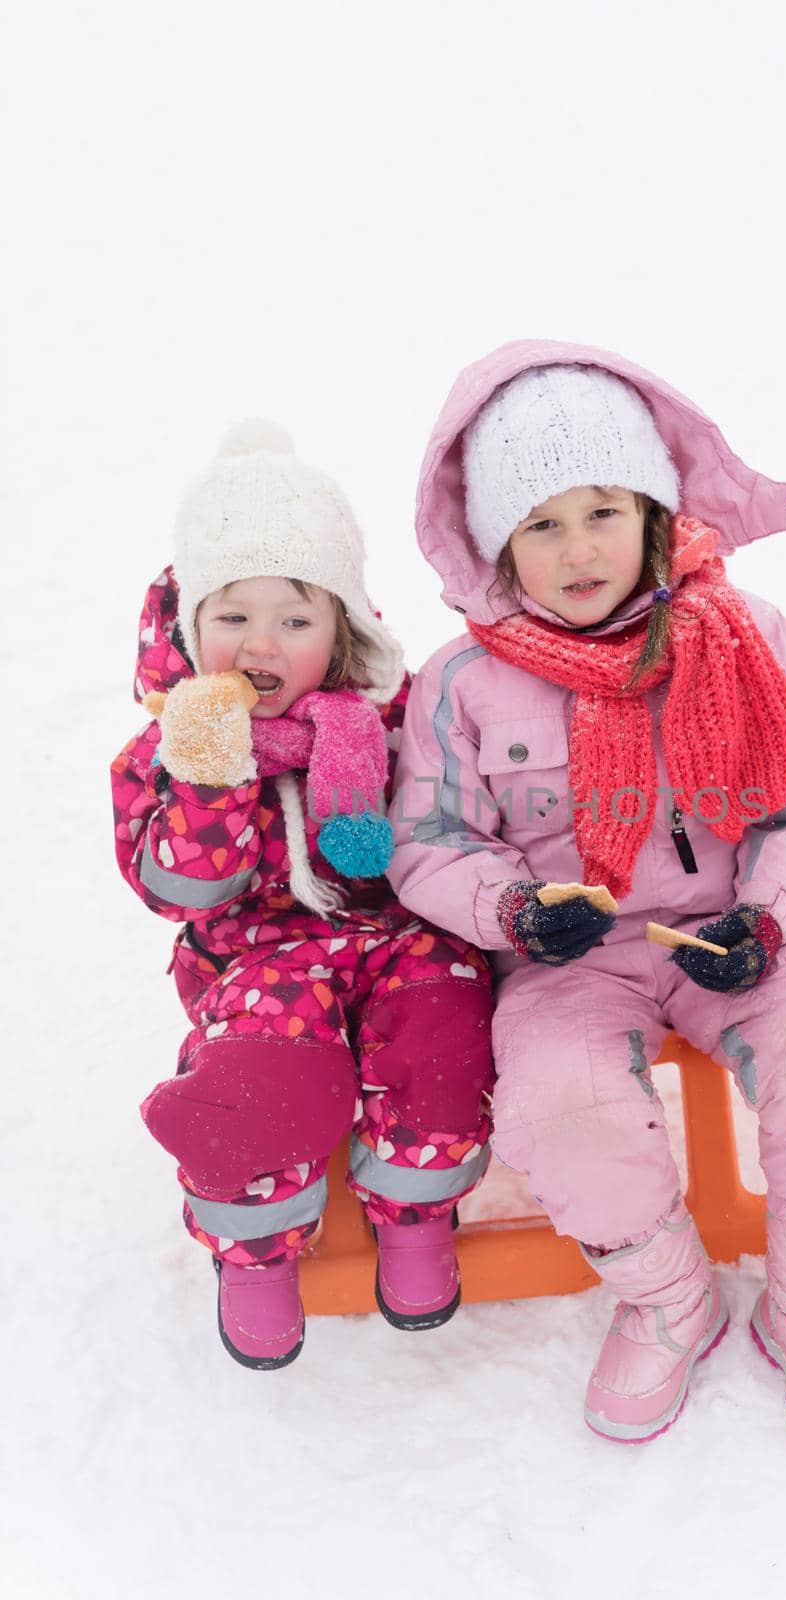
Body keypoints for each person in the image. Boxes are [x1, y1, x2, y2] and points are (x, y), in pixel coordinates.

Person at [387, 343, 786, 1455]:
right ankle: (665, 1294)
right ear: (496, 544)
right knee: (558, 1104)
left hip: (740, 926)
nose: (577, 549)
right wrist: (514, 913)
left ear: (656, 512)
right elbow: (429, 840)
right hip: (570, 958)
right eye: (540, 525)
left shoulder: (748, 638)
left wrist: (769, 916)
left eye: (601, 511)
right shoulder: (459, 686)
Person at [112, 420, 493, 1370]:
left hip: (397, 934)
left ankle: (415, 1209)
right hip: (254, 958)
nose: (260, 644)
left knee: (444, 1031)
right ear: (190, 627)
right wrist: (208, 775)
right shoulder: (162, 758)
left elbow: (447, 825)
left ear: (342, 628)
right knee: (264, 1081)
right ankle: (255, 1248)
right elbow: (183, 890)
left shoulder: (394, 722)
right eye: (231, 616)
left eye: (294, 618)